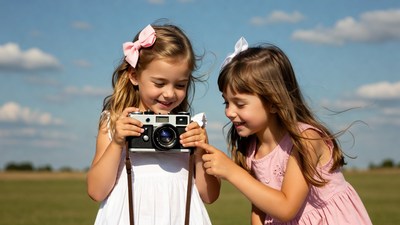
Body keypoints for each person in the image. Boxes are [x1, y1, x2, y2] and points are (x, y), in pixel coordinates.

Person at [194, 37, 372, 225]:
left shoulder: (306, 140)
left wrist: (232, 172)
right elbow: (260, 208)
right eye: (226, 102)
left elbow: (286, 208)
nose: (229, 112)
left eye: (240, 104)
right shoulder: (251, 148)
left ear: (273, 102)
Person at [87, 23, 220, 225]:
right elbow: (96, 191)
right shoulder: (114, 123)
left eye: (180, 85)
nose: (169, 93)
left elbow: (209, 196)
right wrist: (117, 143)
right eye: (159, 83)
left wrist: (200, 151)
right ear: (134, 76)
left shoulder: (191, 129)